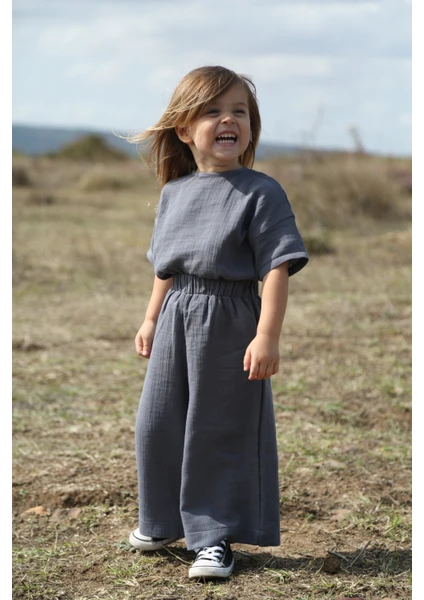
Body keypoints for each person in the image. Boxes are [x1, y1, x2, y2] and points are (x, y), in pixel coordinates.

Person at [127, 65, 309, 580]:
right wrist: (150, 318)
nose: (229, 120)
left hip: (231, 320)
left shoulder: (261, 191)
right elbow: (166, 267)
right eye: (213, 111)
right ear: (184, 129)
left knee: (218, 429)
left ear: (251, 126)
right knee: (156, 423)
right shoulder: (174, 192)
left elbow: (277, 267)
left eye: (239, 112)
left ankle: (213, 538)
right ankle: (162, 521)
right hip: (175, 317)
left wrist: (267, 335)